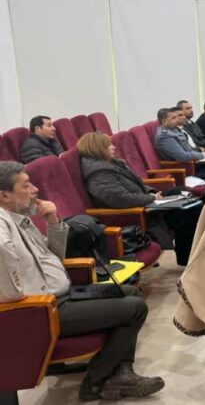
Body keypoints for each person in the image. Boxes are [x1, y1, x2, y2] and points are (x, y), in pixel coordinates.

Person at [0, 161, 164, 400]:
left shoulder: (19, 218)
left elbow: (55, 257)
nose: (35, 190)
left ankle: (121, 373)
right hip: (46, 310)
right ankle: (95, 382)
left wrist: (53, 222)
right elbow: (2, 248)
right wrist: (13, 294)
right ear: (4, 195)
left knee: (129, 292)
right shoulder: (2, 221)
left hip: (66, 294)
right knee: (135, 308)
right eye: (26, 186)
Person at [77, 133, 200, 266]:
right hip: (133, 214)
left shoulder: (111, 164)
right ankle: (191, 258)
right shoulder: (99, 173)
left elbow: (137, 184)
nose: (114, 147)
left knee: (184, 196)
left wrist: (152, 192)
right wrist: (151, 197)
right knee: (184, 213)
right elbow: (120, 199)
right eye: (109, 145)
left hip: (144, 203)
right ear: (97, 149)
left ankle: (195, 253)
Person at [155, 108, 205, 186]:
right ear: (164, 121)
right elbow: (183, 156)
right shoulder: (165, 136)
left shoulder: (173, 129)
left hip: (194, 163)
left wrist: (202, 154)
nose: (177, 119)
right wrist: (203, 155)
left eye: (176, 117)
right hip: (185, 169)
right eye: (173, 118)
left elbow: (188, 148)